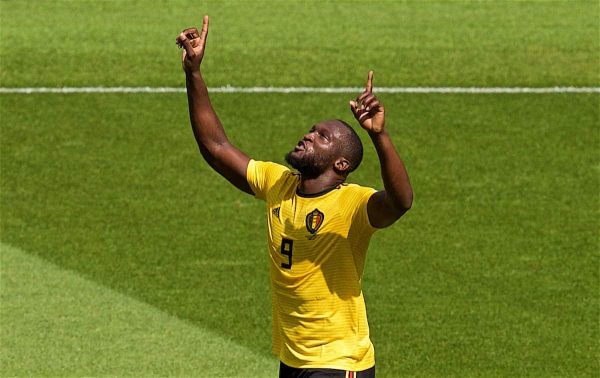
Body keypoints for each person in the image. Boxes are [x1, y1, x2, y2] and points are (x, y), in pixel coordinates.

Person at [176, 16, 413, 378]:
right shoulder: (280, 184)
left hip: (339, 361)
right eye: (311, 131)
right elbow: (216, 147)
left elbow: (400, 202)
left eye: (322, 137)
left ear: (342, 162)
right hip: (293, 360)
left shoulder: (350, 205)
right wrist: (194, 74)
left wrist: (379, 137)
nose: (308, 136)